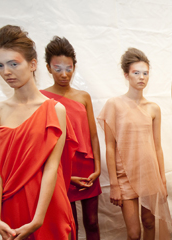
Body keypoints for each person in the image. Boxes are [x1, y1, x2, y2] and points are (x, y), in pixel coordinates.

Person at [0, 25, 76, 239]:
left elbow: (52, 167)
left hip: (47, 206)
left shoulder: (56, 110)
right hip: (11, 204)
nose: (6, 72)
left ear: (33, 64)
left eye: (13, 64)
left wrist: (38, 218)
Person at [98, 48, 172, 240]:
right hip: (124, 176)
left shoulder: (153, 109)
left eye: (145, 73)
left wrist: (162, 181)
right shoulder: (114, 104)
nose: (142, 77)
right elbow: (110, 146)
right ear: (126, 74)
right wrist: (114, 184)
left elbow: (157, 147)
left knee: (149, 223)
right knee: (133, 234)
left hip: (149, 174)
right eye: (136, 72)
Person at [41, 36, 102, 240]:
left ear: (74, 66)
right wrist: (64, 176)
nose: (64, 74)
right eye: (57, 68)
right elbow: (45, 142)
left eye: (68, 68)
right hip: (61, 168)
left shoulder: (83, 96)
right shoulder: (42, 99)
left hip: (87, 167)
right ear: (48, 68)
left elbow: (93, 134)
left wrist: (98, 168)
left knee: (92, 222)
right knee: (69, 225)